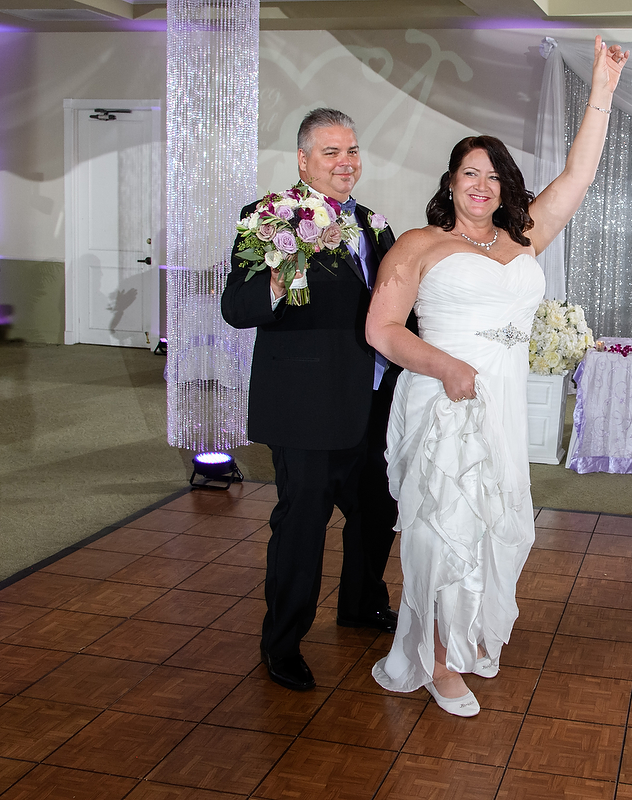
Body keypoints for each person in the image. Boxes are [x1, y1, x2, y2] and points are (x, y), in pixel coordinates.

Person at [365, 37, 629, 716]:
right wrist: (446, 365)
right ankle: (437, 661)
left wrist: (602, 88)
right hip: (444, 399)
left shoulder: (523, 238)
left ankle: (460, 639)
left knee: (492, 525)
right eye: (468, 174)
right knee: (444, 526)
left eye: (492, 176)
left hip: (502, 400)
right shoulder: (419, 245)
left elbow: (579, 176)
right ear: (450, 182)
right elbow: (382, 330)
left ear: (505, 186)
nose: (480, 186)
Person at [220, 108, 403, 692]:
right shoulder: (266, 218)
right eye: (331, 152)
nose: (346, 162)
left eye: (352, 151)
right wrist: (283, 269)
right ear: (303, 160)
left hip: (371, 402)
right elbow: (237, 308)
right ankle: (282, 644)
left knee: (377, 511)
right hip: (306, 407)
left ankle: (361, 604)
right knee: (302, 527)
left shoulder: (375, 226)